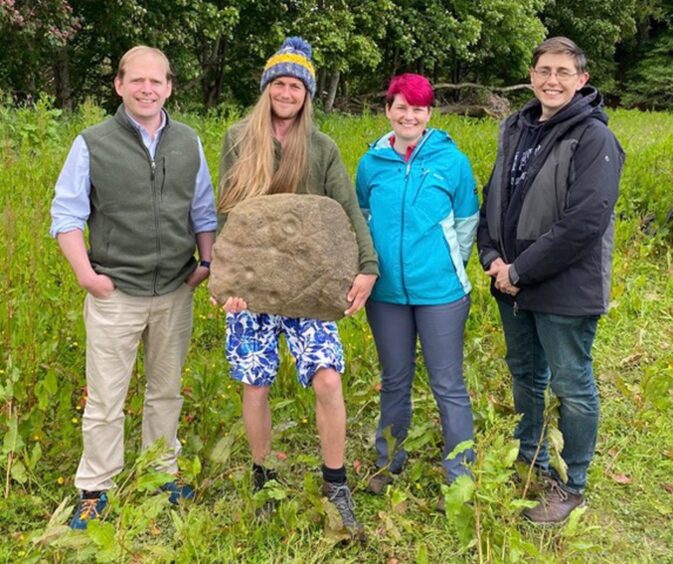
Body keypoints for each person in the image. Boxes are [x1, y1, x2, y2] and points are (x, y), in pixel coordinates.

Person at [216, 37, 378, 538]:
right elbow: (227, 212)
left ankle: (336, 483)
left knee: (327, 378)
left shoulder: (322, 147)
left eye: (296, 86)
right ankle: (264, 477)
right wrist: (226, 278)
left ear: (307, 94)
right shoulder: (239, 137)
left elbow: (347, 209)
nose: (287, 92)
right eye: (279, 83)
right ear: (267, 88)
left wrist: (367, 267)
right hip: (254, 285)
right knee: (255, 382)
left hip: (309, 287)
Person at [50, 46, 217, 529]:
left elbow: (202, 210)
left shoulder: (188, 142)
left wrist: (206, 261)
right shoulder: (92, 142)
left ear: (169, 87)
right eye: (137, 80)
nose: (147, 89)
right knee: (106, 396)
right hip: (115, 291)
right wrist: (87, 276)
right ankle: (96, 486)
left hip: (173, 290)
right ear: (119, 85)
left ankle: (160, 472)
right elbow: (67, 215)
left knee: (166, 391)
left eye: (157, 81)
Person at [477, 37, 623, 523]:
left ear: (581, 80)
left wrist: (522, 269)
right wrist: (493, 256)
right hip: (510, 284)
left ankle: (572, 483)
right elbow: (494, 197)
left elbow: (586, 220)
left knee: (571, 383)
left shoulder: (593, 138)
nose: (551, 80)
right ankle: (531, 459)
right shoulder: (517, 128)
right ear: (533, 75)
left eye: (563, 72)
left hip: (563, 289)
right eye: (544, 70)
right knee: (526, 375)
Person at [355, 73, 479, 510]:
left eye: (419, 108)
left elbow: (466, 226)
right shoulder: (370, 164)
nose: (410, 115)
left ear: (430, 114)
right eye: (401, 107)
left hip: (442, 294)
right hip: (386, 294)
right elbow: (363, 222)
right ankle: (389, 464)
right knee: (394, 380)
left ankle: (459, 478)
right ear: (388, 110)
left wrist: (443, 270)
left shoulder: (453, 162)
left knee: (448, 383)